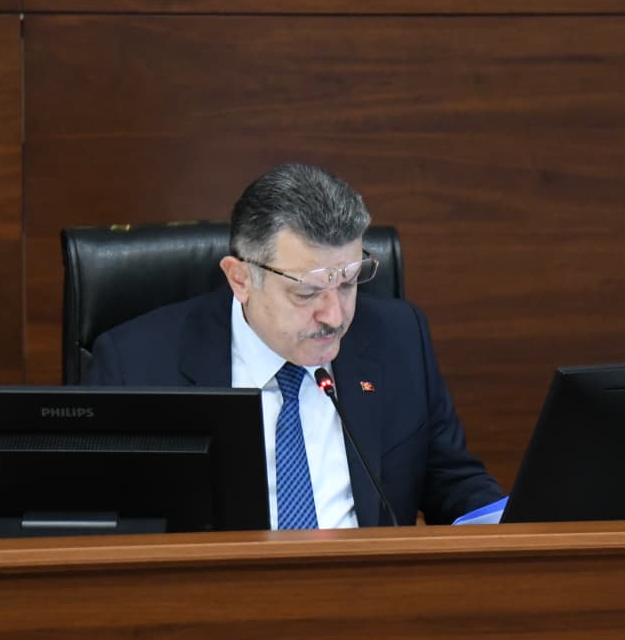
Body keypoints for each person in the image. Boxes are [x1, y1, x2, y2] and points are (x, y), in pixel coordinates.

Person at [88, 162, 504, 529]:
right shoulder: (136, 364)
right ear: (241, 280)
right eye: (307, 293)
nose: (335, 317)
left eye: (348, 282)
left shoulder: (399, 338)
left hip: (366, 586)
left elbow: (453, 482)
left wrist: (509, 526)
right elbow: (109, 523)